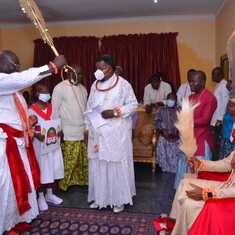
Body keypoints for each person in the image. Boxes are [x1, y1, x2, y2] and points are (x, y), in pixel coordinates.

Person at [0, 50, 66, 234]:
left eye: (18, 65)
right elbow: (22, 79)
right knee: (6, 184)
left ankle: (15, 219)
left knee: (18, 184)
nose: (17, 68)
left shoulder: (13, 90)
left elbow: (13, 114)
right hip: (5, 144)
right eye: (13, 64)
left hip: (19, 141)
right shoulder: (3, 81)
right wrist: (52, 66)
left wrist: (29, 123)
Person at [85, 55, 137, 213]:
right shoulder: (94, 85)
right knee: (99, 164)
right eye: (97, 68)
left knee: (115, 165)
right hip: (97, 134)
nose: (99, 71)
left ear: (112, 67)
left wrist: (116, 112)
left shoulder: (123, 84)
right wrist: (87, 127)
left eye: (103, 68)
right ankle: (100, 198)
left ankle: (118, 199)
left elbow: (133, 105)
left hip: (116, 134)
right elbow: (89, 106)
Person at [170, 152, 235, 235]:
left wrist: (207, 194)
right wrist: (201, 164)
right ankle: (174, 224)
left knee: (189, 204)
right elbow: (226, 164)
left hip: (230, 198)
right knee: (185, 183)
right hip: (226, 186)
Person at [174, 71, 217, 188]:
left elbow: (205, 120)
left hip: (201, 140)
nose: (191, 84)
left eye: (194, 81)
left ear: (203, 82)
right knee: (184, 169)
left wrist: (186, 120)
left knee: (199, 175)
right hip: (188, 139)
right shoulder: (190, 97)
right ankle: (182, 194)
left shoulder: (209, 97)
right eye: (190, 81)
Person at [52, 65, 88, 191]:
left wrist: (86, 129)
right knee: (69, 160)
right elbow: (54, 111)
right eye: (77, 73)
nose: (80, 76)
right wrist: (58, 130)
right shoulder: (60, 87)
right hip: (67, 130)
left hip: (81, 130)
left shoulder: (83, 89)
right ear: (69, 73)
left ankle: (79, 181)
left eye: (81, 74)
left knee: (80, 159)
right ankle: (64, 185)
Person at [29, 84, 64, 211]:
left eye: (48, 91)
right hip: (40, 146)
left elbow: (57, 122)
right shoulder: (31, 110)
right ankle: (41, 197)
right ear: (37, 94)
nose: (47, 94)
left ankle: (50, 194)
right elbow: (29, 128)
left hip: (53, 144)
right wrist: (36, 135)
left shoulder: (52, 107)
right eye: (44, 92)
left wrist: (59, 131)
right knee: (43, 170)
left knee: (53, 169)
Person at [155, 92, 182, 173]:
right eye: (170, 99)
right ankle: (165, 167)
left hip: (176, 136)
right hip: (165, 135)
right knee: (161, 140)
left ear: (176, 101)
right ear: (166, 100)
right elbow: (157, 123)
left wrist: (177, 132)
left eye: (173, 99)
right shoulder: (161, 110)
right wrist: (163, 131)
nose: (171, 101)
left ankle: (176, 168)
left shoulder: (179, 111)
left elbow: (183, 124)